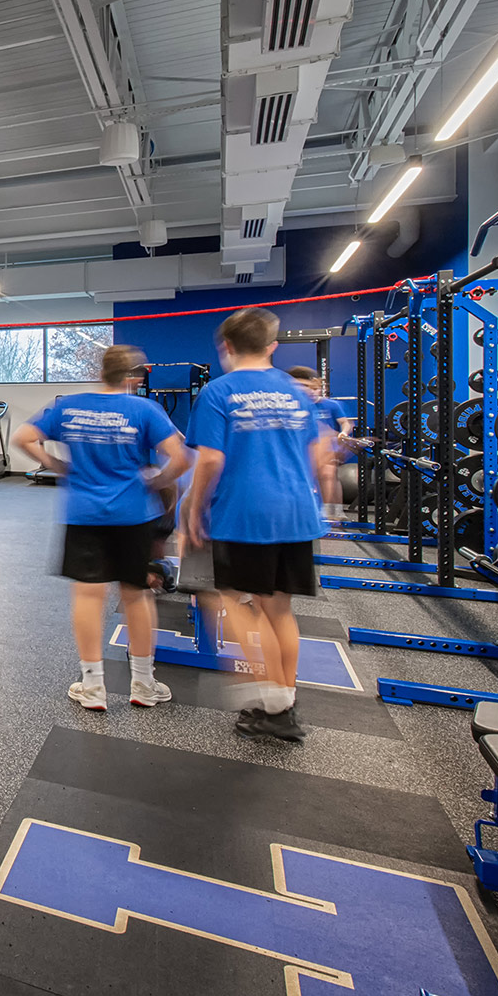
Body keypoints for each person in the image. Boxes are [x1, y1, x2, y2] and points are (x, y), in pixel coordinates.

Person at [180, 307, 338, 742]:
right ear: (272, 346)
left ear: (225, 347)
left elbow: (210, 459)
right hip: (295, 513)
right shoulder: (295, 392)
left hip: (246, 512)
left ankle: (269, 698)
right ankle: (283, 702)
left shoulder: (218, 391)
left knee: (228, 600)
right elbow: (315, 456)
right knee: (279, 608)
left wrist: (194, 508)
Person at [14, 346, 193, 711]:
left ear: (102, 372)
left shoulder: (68, 405)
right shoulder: (144, 409)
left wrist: (55, 463)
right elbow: (181, 457)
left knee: (87, 596)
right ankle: (143, 684)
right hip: (133, 514)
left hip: (84, 514)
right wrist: (158, 481)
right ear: (134, 377)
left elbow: (23, 438)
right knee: (137, 595)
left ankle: (92, 687)